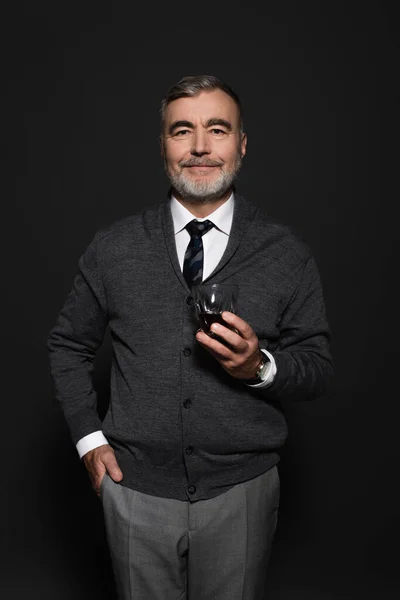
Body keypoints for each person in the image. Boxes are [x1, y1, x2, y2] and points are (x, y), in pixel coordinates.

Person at [48, 74, 332, 600]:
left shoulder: (285, 254)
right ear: (163, 145)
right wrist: (90, 440)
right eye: (183, 131)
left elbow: (316, 366)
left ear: (241, 145)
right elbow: (68, 346)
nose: (200, 147)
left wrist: (261, 367)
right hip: (133, 490)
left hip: (242, 491)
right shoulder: (114, 248)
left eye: (217, 130)